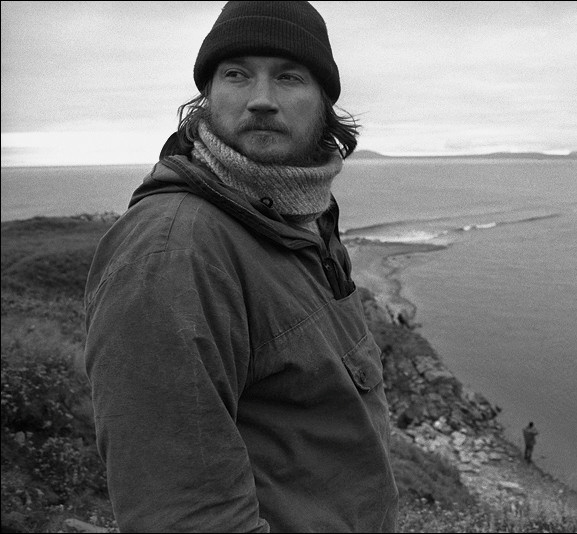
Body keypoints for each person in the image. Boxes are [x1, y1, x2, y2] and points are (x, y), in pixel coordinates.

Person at [83, 2, 398, 532]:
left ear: (324, 103)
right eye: (236, 74)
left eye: (289, 77)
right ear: (207, 95)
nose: (261, 99)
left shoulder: (302, 216)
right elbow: (186, 515)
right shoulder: (174, 252)